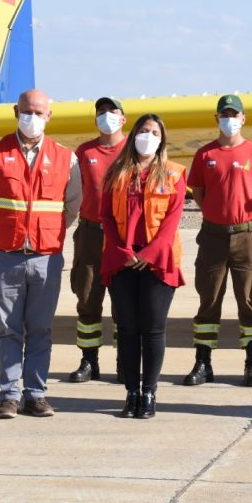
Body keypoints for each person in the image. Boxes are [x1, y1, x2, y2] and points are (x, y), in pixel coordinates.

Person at [0, 89, 82, 419]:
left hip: (46, 257)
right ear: (17, 111)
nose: (32, 117)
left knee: (41, 329)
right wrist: (1, 232)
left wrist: (47, 233)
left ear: (49, 116)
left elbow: (72, 205)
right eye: (27, 111)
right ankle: (9, 394)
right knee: (8, 328)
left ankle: (36, 393)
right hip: (6, 256)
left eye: (39, 112)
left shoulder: (65, 157)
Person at [185, 94, 252, 387]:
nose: (229, 119)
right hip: (212, 236)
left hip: (246, 236)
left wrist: (245, 216)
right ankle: (203, 362)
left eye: (234, 114)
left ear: (243, 118)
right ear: (217, 119)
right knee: (208, 299)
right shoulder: (205, 154)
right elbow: (197, 191)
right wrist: (215, 213)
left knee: (248, 300)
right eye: (224, 114)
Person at [100, 114, 186, 419]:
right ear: (133, 134)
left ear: (162, 139)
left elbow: (172, 221)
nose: (147, 137)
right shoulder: (116, 173)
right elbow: (107, 217)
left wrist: (148, 255)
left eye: (154, 132)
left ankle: (149, 392)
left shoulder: (174, 174)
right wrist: (123, 251)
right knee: (126, 329)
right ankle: (131, 392)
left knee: (152, 329)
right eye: (143, 131)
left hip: (157, 262)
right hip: (122, 259)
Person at [68, 96, 128, 383]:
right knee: (88, 297)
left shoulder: (133, 150)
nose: (106, 116)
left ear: (123, 119)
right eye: (101, 112)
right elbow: (71, 191)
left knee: (123, 302)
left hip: (122, 233)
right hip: (90, 232)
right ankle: (89, 360)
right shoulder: (84, 151)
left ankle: (124, 360)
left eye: (112, 111)